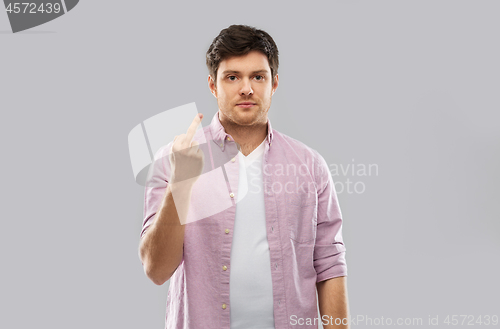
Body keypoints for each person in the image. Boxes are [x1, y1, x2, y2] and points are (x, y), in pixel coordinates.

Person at [139, 24, 350, 329]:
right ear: (213, 86)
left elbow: (329, 264)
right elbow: (156, 270)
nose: (247, 88)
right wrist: (180, 183)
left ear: (274, 83)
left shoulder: (309, 165)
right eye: (232, 77)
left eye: (258, 77)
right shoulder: (174, 159)